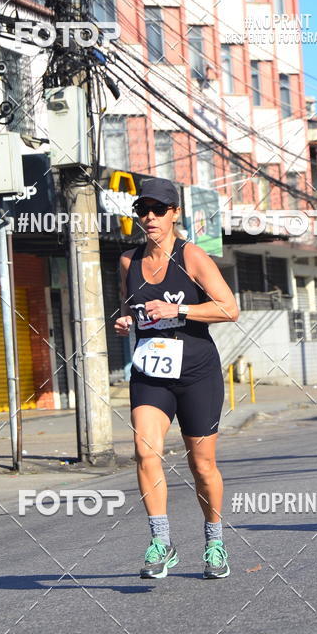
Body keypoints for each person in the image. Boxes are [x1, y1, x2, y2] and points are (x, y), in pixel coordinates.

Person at [114, 177, 239, 580]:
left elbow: (228, 309)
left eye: (158, 210)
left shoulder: (193, 257)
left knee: (202, 465)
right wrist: (126, 321)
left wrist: (179, 312)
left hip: (197, 372)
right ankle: (161, 542)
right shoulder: (129, 262)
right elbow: (133, 309)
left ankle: (215, 542)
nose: (149, 217)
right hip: (151, 370)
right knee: (145, 451)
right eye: (142, 210)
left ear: (174, 214)